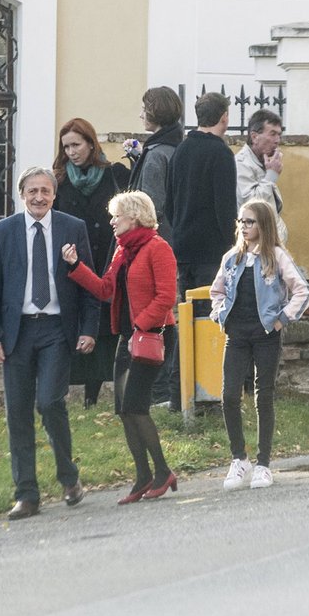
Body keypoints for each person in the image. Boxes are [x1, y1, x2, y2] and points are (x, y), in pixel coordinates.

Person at [0, 166, 99, 521]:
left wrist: (89, 328)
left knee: (49, 402)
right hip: (17, 332)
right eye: (32, 191)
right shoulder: (3, 231)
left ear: (54, 194)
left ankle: (68, 478)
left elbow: (89, 284)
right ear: (22, 195)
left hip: (55, 330)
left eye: (45, 191)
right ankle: (27, 494)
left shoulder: (72, 228)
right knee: (17, 412)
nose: (39, 197)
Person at [63, 191, 179, 504]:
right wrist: (75, 266)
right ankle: (143, 475)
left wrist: (141, 325)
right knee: (124, 411)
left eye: (117, 216)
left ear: (136, 216)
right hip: (128, 338)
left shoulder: (158, 248)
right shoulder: (122, 251)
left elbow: (167, 297)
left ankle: (162, 472)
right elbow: (104, 290)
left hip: (153, 334)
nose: (112, 222)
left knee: (135, 407)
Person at [210, 200, 309, 490]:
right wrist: (220, 314)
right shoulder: (232, 258)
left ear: (263, 225)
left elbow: (302, 290)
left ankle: (263, 463)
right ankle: (239, 458)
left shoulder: (276, 256)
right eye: (241, 221)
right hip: (237, 334)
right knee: (229, 395)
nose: (244, 227)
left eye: (250, 222)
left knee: (262, 396)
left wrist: (282, 319)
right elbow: (217, 290)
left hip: (266, 334)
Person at [165, 91, 238, 411]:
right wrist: (234, 244)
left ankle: (179, 391)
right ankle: (206, 395)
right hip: (212, 251)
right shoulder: (220, 154)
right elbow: (225, 209)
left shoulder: (182, 150)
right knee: (211, 319)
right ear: (224, 116)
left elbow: (168, 201)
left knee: (186, 320)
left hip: (182, 248)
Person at [52, 118, 130, 408]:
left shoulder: (114, 176)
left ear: (90, 143)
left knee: (107, 327)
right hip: (74, 261)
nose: (72, 152)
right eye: (67, 147)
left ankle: (95, 395)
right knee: (78, 322)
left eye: (76, 144)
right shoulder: (59, 181)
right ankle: (76, 392)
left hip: (107, 258)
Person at [124, 86, 184, 243]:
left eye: (144, 110)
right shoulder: (179, 148)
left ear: (156, 112)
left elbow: (150, 208)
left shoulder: (156, 155)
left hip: (157, 240)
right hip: (178, 236)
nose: (140, 115)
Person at [236, 109, 287, 243]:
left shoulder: (263, 162)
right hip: (254, 247)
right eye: (272, 134)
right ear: (254, 137)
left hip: (270, 244)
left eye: (279, 135)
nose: (277, 140)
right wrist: (272, 175)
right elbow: (251, 205)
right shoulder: (242, 163)